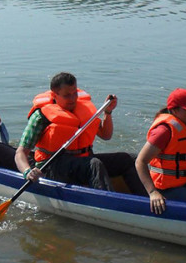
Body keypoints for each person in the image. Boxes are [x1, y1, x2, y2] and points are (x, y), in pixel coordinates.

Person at [15, 72, 146, 195]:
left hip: (82, 160)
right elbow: (20, 153)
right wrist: (27, 172)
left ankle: (147, 199)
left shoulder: (84, 110)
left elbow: (106, 135)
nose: (72, 99)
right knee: (94, 164)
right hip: (53, 166)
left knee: (130, 159)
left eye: (75, 93)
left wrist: (108, 112)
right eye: (67, 95)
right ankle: (108, 206)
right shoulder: (41, 116)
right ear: (55, 95)